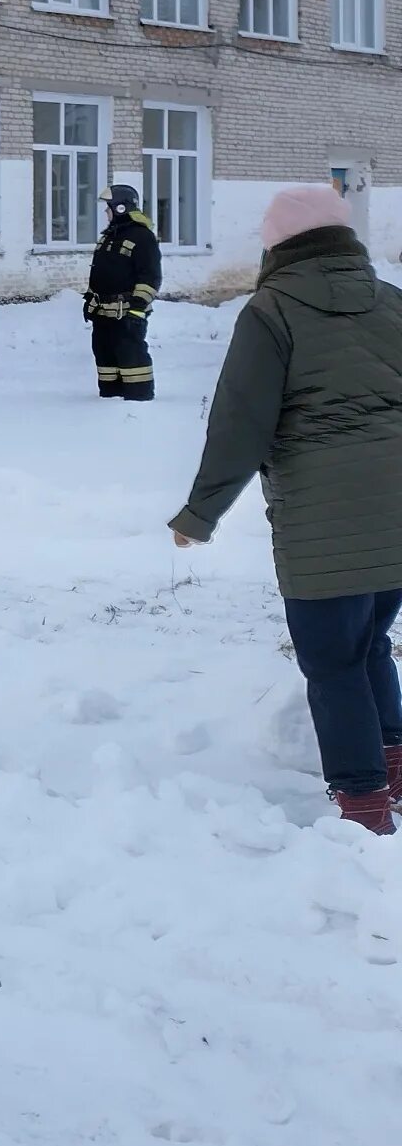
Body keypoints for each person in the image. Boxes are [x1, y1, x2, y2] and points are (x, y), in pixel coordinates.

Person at [171, 184, 402, 835]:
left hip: (324, 511)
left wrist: (200, 513)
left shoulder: (271, 311)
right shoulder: (391, 302)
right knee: (369, 644)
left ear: (279, 247)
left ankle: (364, 806)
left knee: (332, 661)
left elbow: (241, 423)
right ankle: (393, 766)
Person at [84, 181, 161, 399]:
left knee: (131, 356)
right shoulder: (109, 236)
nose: (106, 211)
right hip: (103, 315)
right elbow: (100, 272)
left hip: (126, 313)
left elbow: (150, 276)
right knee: (104, 356)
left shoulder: (142, 237)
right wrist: (89, 300)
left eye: (109, 207)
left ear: (121, 208)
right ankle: (110, 397)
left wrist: (137, 308)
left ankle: (138, 399)